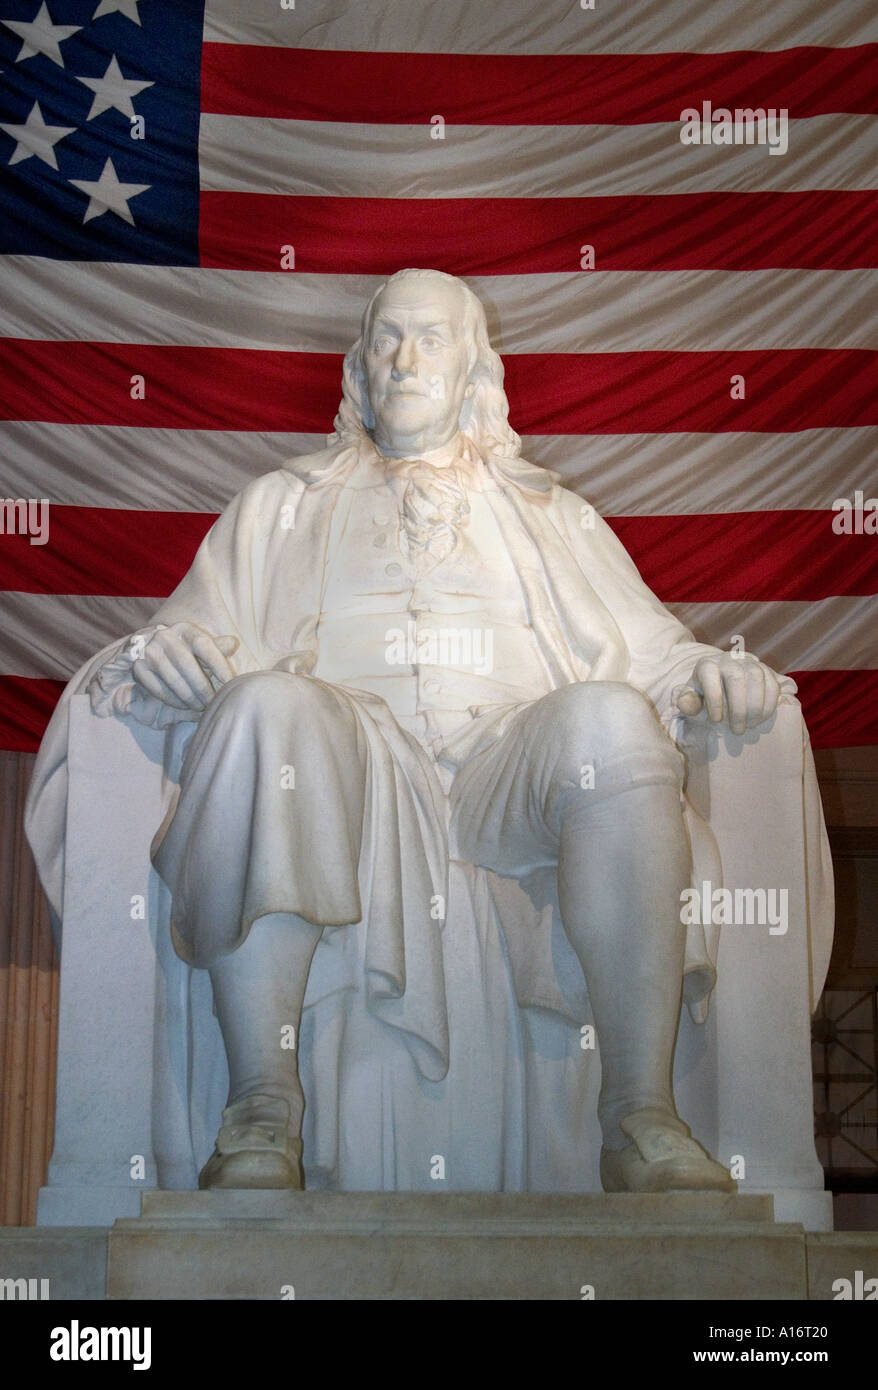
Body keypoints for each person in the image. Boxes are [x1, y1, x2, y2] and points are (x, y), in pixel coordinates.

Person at [45, 270, 792, 1193]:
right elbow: (197, 632)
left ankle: (638, 1113)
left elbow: (650, 652)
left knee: (611, 720)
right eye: (385, 339)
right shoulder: (282, 503)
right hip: (350, 759)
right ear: (357, 369)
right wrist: (167, 654)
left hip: (507, 756)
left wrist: (710, 672)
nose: (404, 360)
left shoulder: (550, 512)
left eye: (430, 340)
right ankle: (262, 1106)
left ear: (476, 369)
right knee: (266, 706)